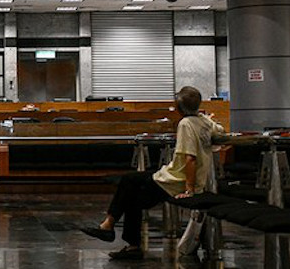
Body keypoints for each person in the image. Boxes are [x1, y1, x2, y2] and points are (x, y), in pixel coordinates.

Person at [80, 86, 225, 260]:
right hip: (171, 177)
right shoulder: (204, 121)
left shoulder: (186, 124)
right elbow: (221, 131)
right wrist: (208, 120)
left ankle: (112, 228)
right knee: (130, 187)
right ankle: (113, 230)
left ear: (178, 107)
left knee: (129, 189)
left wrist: (189, 190)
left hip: (173, 182)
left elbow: (190, 159)